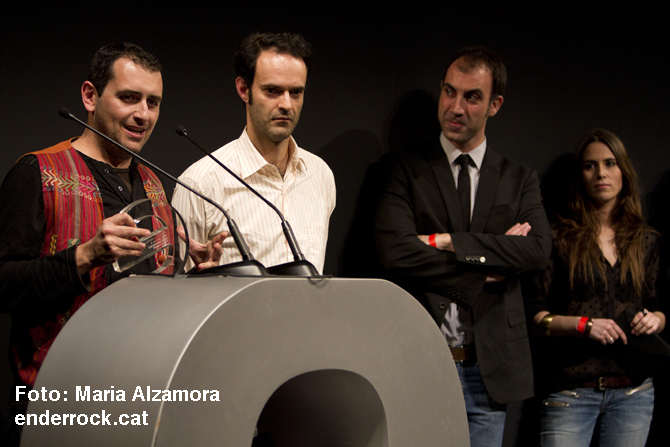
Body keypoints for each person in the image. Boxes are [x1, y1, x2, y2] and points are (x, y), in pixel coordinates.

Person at [0, 42, 222, 443]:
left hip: (138, 392)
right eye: (129, 98)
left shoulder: (152, 184)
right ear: (90, 96)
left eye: (153, 102)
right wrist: (86, 255)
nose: (144, 114)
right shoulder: (37, 173)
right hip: (57, 398)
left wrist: (192, 271)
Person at [374, 46, 552, 447]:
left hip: (489, 370)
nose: (456, 107)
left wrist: (449, 242)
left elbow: (538, 250)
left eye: (472, 97)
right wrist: (485, 268)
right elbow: (396, 252)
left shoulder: (519, 179)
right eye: (449, 92)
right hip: (422, 361)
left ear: (494, 105)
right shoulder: (402, 169)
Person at [526, 129, 665, 447]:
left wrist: (655, 320)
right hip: (573, 391)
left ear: (623, 171)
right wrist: (584, 325)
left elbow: (660, 306)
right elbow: (535, 317)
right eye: (590, 165)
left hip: (634, 392)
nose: (600, 173)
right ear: (581, 175)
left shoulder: (646, 240)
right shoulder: (559, 238)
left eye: (609, 163)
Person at [172, 32, 335, 274]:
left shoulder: (320, 174)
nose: (286, 104)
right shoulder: (199, 184)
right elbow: (179, 286)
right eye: (272, 90)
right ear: (243, 89)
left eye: (296, 92)